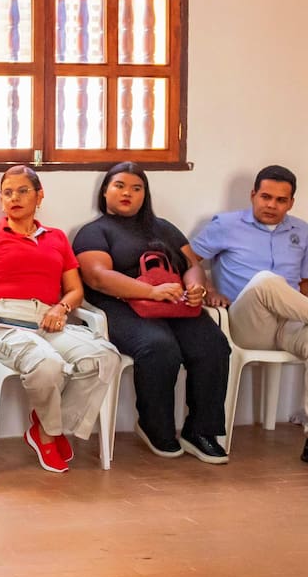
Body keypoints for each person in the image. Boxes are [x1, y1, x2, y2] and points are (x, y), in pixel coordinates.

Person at [0, 166, 121, 473]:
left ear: (39, 196)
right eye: (7, 192)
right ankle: (49, 431)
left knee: (104, 357)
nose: (14, 198)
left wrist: (60, 309)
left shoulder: (56, 238)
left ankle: (47, 427)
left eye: (22, 191)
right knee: (48, 364)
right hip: (4, 321)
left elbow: (75, 291)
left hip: (49, 318)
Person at [73, 162, 231, 463]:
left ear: (145, 194)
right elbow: (96, 277)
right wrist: (149, 291)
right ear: (105, 190)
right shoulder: (95, 232)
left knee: (213, 345)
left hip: (174, 304)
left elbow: (192, 265)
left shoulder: (165, 228)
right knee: (159, 347)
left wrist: (196, 288)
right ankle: (155, 427)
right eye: (119, 186)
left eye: (136, 188)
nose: (127, 193)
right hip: (120, 306)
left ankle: (200, 431)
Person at [190, 164, 308, 463]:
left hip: (291, 323)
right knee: (267, 280)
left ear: (291, 202)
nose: (272, 205)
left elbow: (304, 285)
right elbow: (188, 259)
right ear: (253, 194)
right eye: (266, 197)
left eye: (281, 200)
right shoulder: (226, 225)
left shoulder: (302, 232)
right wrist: (208, 289)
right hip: (245, 322)